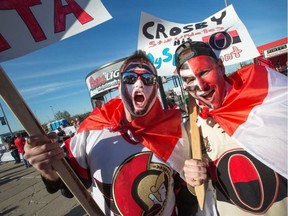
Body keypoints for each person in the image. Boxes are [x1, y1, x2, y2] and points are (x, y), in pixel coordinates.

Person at [24, 50, 198, 215]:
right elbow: (68, 186)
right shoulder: (92, 129)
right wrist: (47, 168)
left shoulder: (175, 130)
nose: (139, 84)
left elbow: (184, 188)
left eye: (147, 78)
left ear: (155, 85)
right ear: (119, 85)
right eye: (130, 78)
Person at [174, 41, 288, 215]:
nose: (201, 86)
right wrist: (192, 179)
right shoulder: (192, 127)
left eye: (204, 72)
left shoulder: (261, 93)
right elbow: (196, 189)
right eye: (189, 80)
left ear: (220, 66)